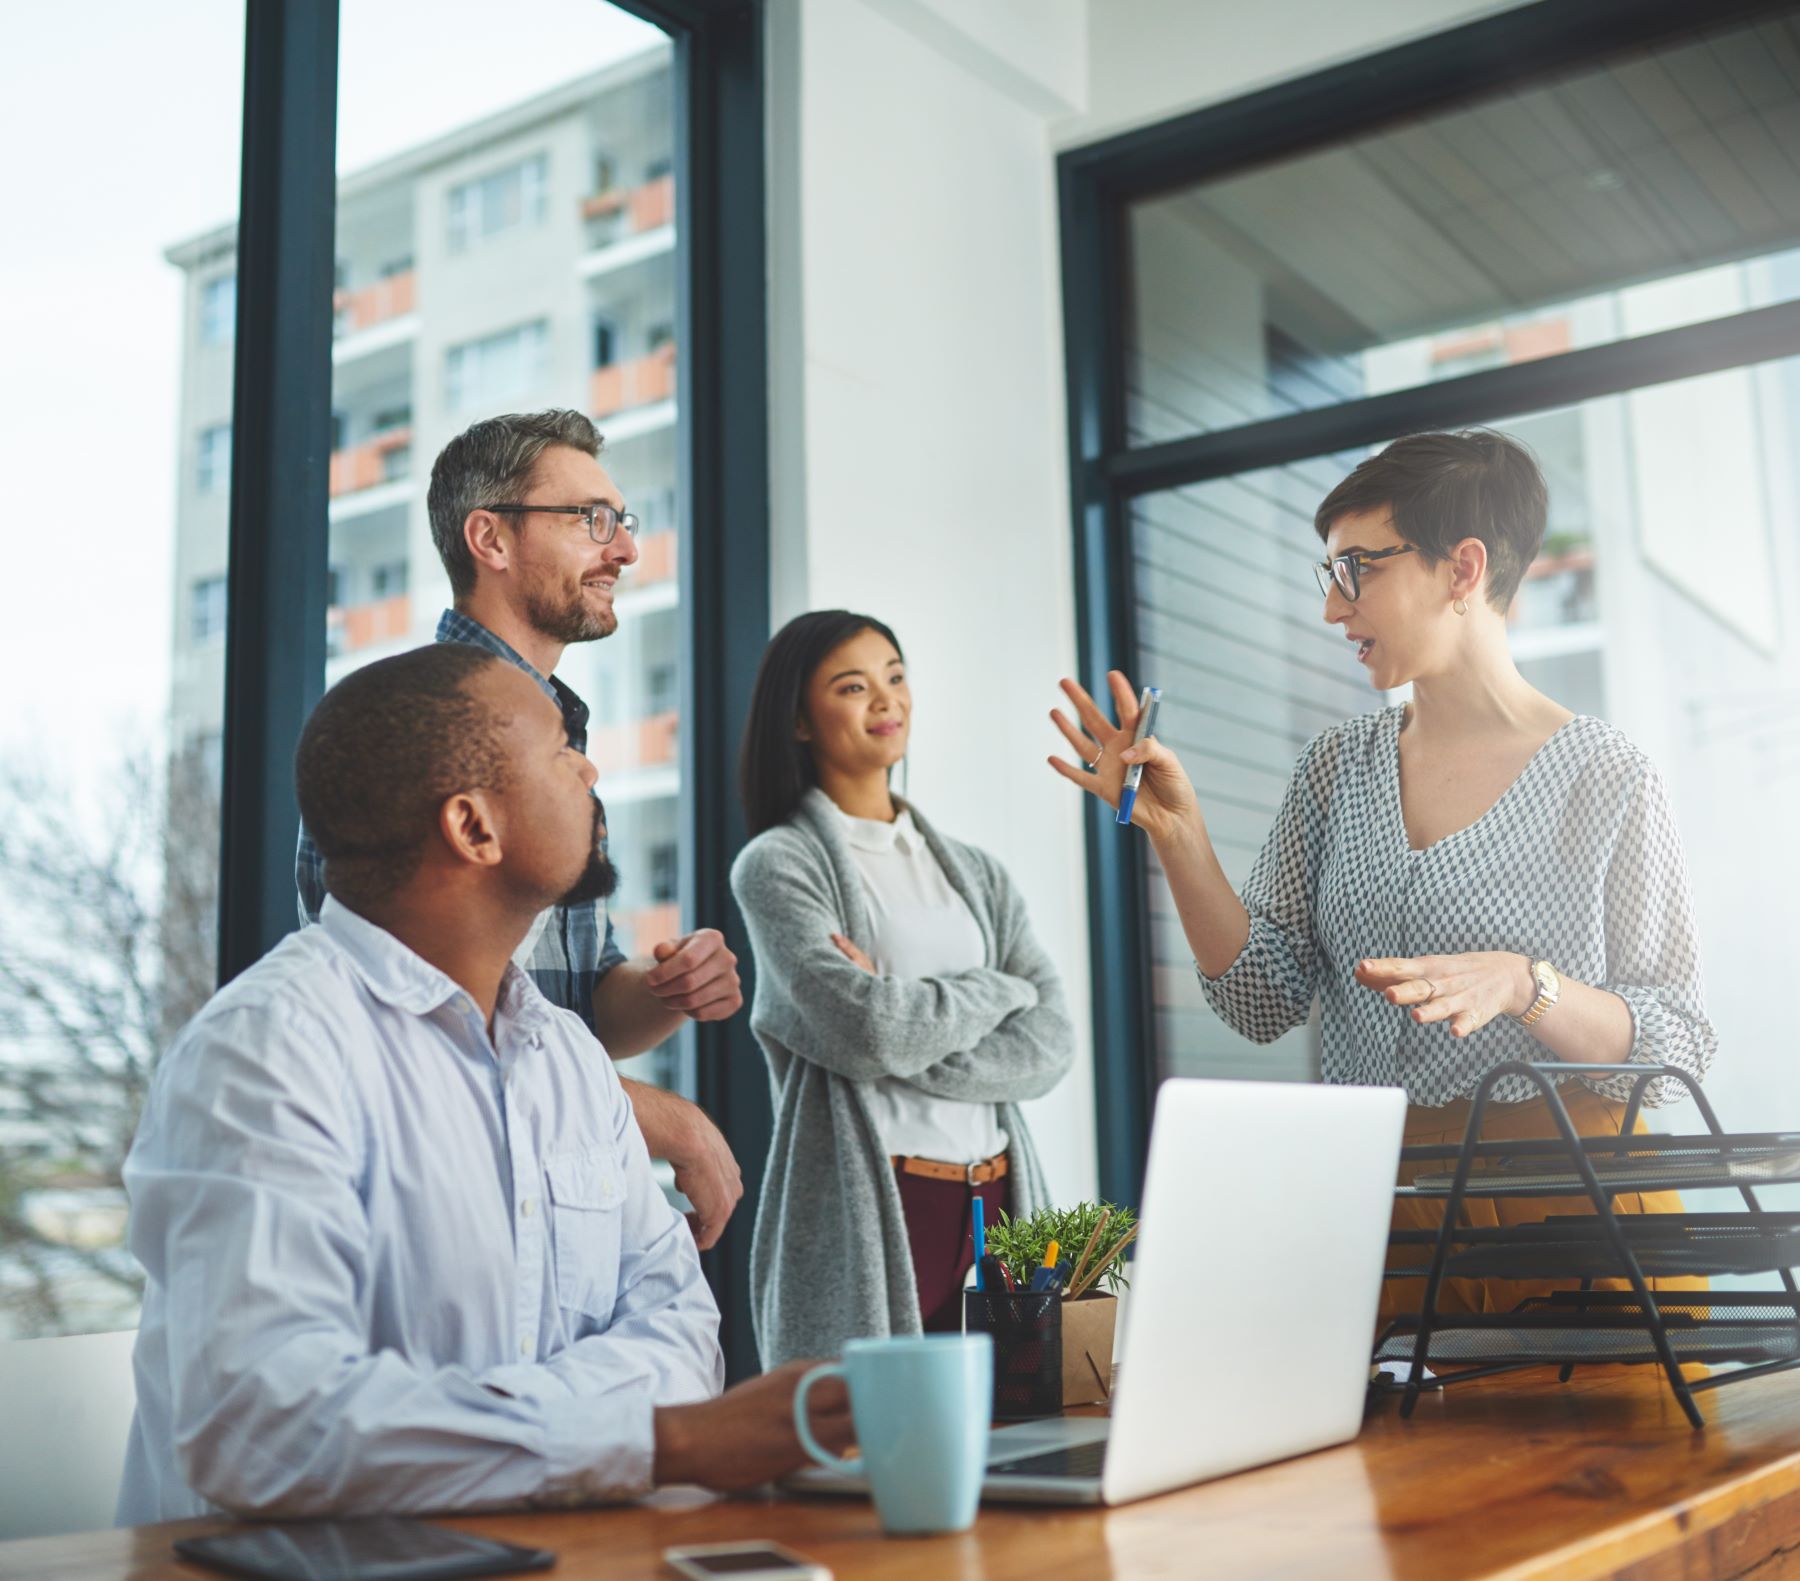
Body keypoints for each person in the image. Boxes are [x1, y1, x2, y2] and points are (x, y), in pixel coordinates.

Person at [119, 644, 850, 1523]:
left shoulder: (569, 1056)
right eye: (558, 750)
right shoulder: (265, 1052)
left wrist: (475, 1428)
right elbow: (267, 1427)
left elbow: (683, 1332)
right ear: (474, 828)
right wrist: (662, 1443)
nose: (589, 766)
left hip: (542, 1554)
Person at [1049, 429, 1716, 1319]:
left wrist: (1527, 984)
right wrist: (1179, 834)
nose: (1334, 608)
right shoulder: (1335, 767)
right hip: (1376, 1211)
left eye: (1357, 568)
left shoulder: (1608, 774)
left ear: (1461, 569)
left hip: (1571, 1209)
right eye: (1329, 574)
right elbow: (1260, 999)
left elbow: (1680, 1044)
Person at [297, 410, 745, 1250]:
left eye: (624, 522)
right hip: (448, 1213)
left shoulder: (563, 742)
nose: (625, 550)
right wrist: (661, 1118)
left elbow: (578, 1008)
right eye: (591, 519)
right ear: (490, 539)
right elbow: (421, 1033)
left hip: (554, 1194)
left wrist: (663, 990)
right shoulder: (404, 733)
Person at [731, 611, 1075, 1365]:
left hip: (999, 1196)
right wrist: (997, 989)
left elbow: (1051, 1045)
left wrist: (902, 1014)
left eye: (894, 675)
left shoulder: (977, 871)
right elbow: (870, 1033)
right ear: (797, 719)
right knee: (876, 1455)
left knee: (1023, 1448)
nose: (887, 699)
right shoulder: (778, 865)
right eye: (853, 686)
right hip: (881, 1200)